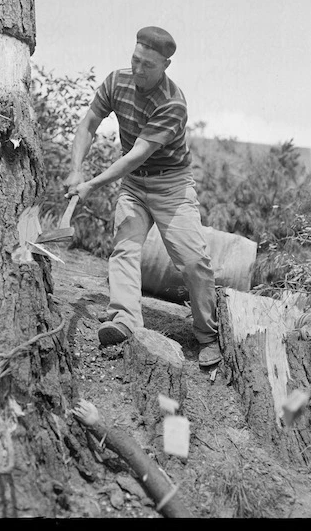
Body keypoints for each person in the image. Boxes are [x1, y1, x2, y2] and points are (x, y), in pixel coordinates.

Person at [63, 26, 220, 367]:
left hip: (171, 186)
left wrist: (91, 184)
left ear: (165, 64)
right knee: (125, 247)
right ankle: (123, 321)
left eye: (147, 64)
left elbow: (137, 154)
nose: (138, 69)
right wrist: (76, 169)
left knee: (193, 262)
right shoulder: (116, 81)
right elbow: (88, 123)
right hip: (134, 185)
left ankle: (208, 335)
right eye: (135, 60)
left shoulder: (172, 104)